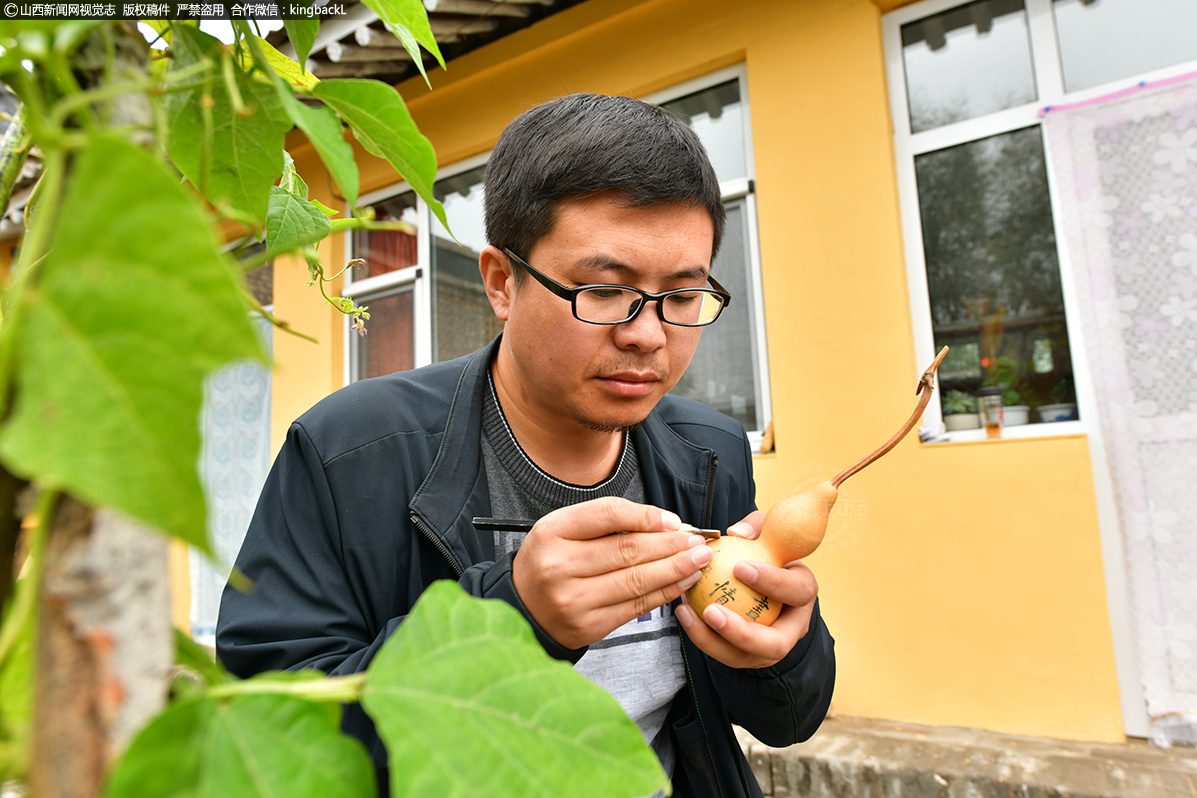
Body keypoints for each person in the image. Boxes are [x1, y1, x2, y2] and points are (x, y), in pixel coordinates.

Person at [216, 92, 835, 798]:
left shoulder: (708, 453)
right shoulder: (351, 452)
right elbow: (266, 738)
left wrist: (780, 657)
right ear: (501, 282)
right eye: (605, 290)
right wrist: (513, 620)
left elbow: (788, 720)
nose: (647, 333)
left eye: (683, 295)